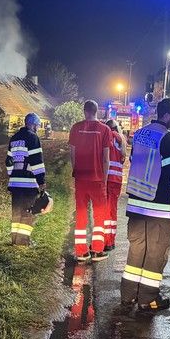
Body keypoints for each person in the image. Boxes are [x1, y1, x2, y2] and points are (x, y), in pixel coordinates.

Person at [122, 97, 170, 311]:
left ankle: (128, 294)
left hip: (137, 203)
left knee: (137, 250)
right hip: (159, 206)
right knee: (156, 254)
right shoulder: (168, 139)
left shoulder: (139, 134)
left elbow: (135, 161)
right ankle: (148, 298)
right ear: (167, 115)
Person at [69, 100, 112, 262]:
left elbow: (72, 154)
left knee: (81, 214)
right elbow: (106, 158)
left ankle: (81, 252)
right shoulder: (104, 129)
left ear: (84, 111)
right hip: (98, 179)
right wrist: (105, 179)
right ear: (97, 111)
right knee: (99, 215)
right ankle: (97, 251)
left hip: (81, 179)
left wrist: (76, 170)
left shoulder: (76, 128)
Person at [6, 113, 47, 246]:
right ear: (33, 124)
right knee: (28, 212)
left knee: (16, 212)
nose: (37, 128)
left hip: (15, 183)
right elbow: (36, 162)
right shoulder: (33, 138)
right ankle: (23, 242)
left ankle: (14, 240)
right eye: (37, 125)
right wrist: (41, 181)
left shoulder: (14, 138)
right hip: (29, 183)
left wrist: (12, 175)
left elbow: (8, 162)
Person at [104, 119, 125, 250]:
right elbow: (123, 159)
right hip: (116, 180)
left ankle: (105, 242)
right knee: (112, 211)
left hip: (105, 179)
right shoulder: (121, 139)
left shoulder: (105, 136)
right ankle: (111, 241)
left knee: (104, 210)